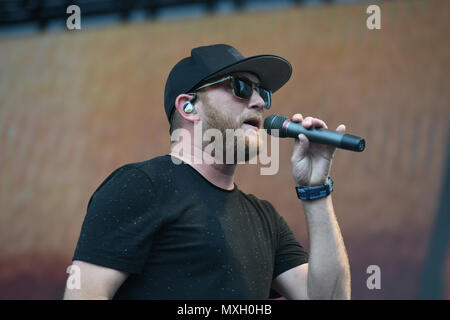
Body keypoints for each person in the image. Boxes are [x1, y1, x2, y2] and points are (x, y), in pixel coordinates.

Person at [63, 44, 350, 300]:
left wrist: (316, 189)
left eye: (262, 92)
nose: (260, 102)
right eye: (240, 87)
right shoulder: (141, 186)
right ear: (188, 107)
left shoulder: (266, 219)